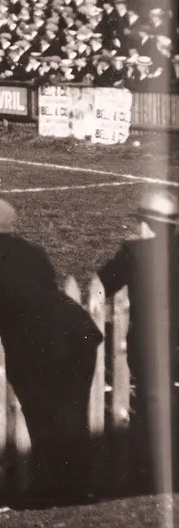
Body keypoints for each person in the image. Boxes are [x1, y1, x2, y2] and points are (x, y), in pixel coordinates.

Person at [0, 198, 103, 505]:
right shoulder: (35, 251)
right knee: (71, 414)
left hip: (38, 343)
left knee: (41, 416)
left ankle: (47, 492)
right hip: (78, 332)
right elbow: (45, 283)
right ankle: (79, 489)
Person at [98, 189, 179, 489]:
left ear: (147, 224)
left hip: (152, 351)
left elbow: (100, 285)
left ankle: (156, 473)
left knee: (153, 410)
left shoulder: (135, 253)